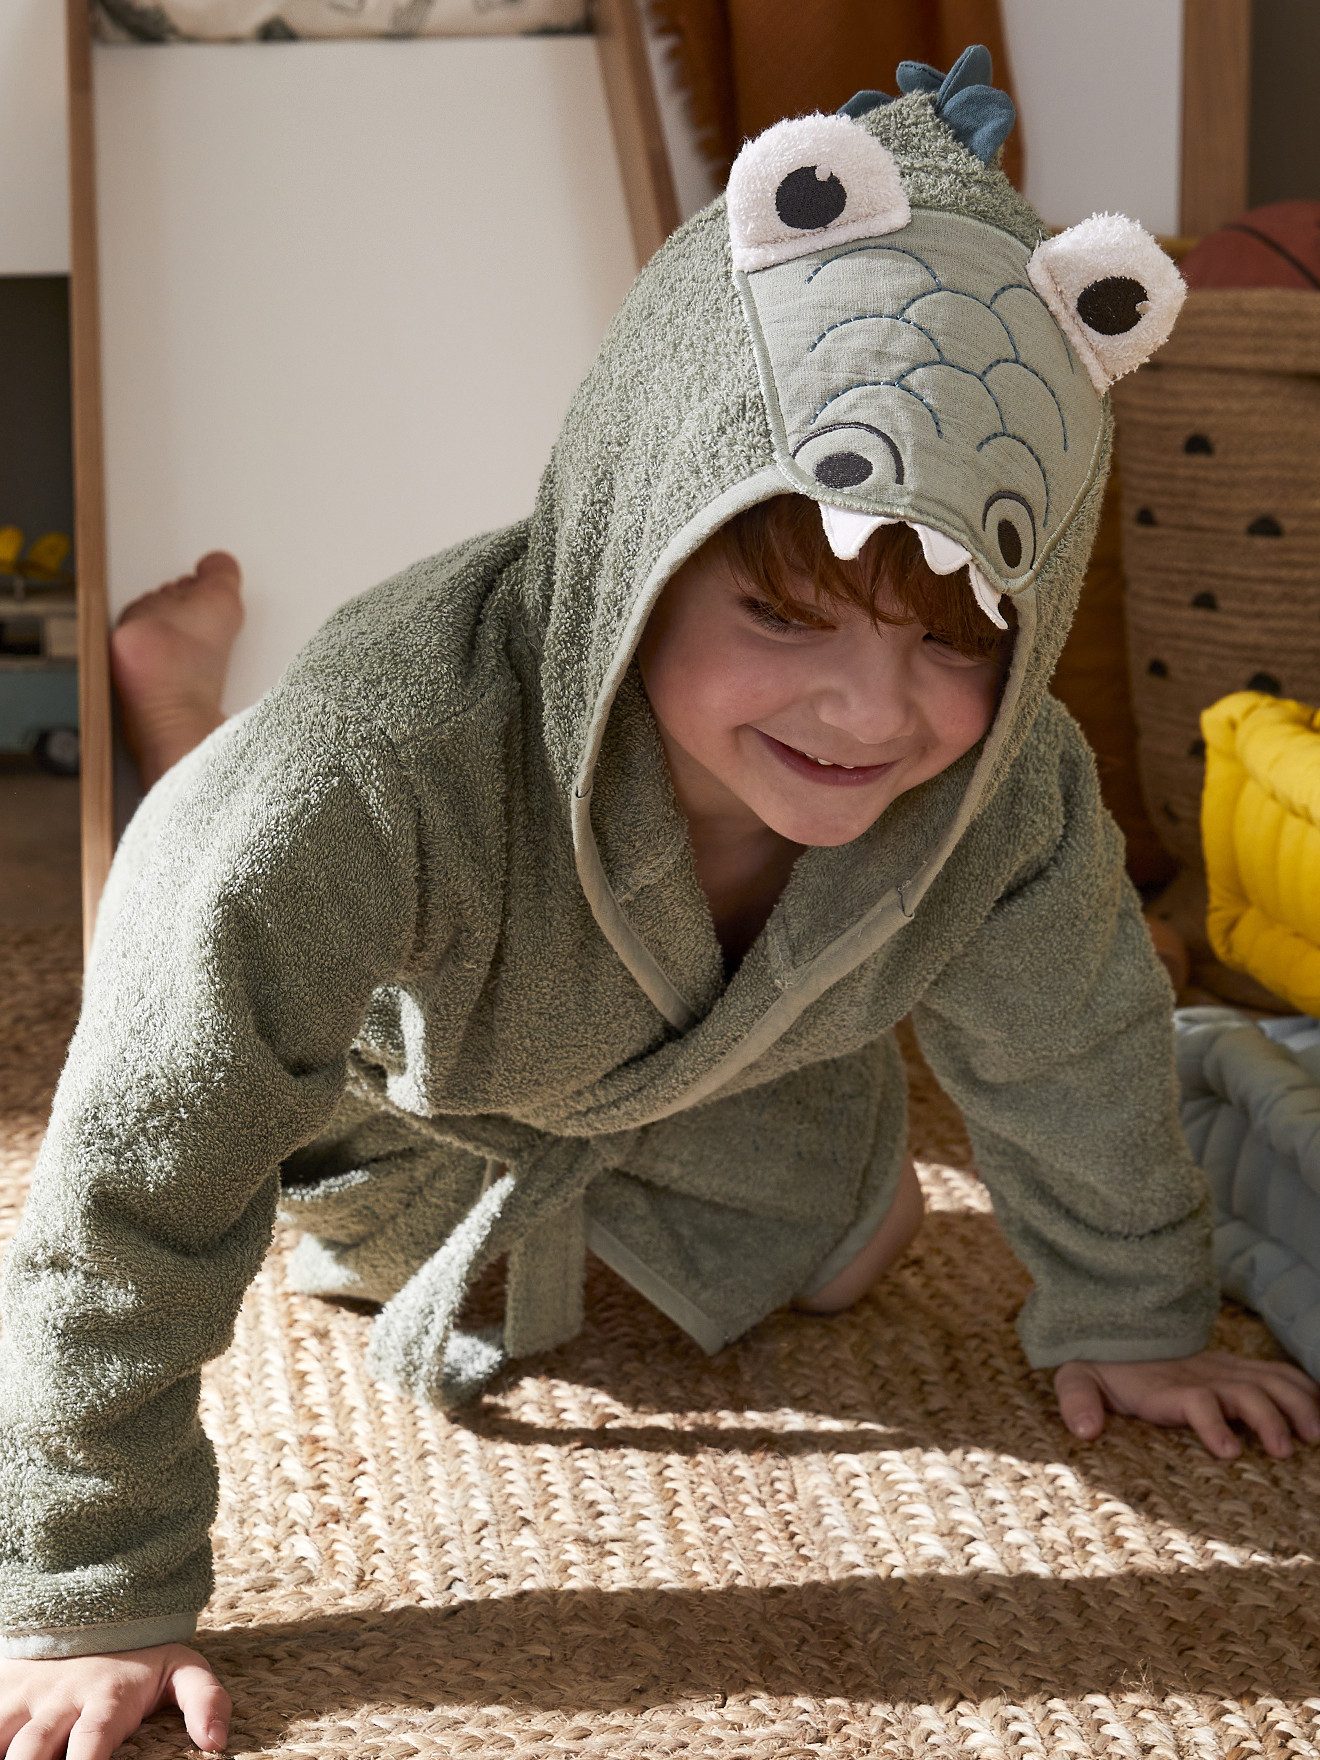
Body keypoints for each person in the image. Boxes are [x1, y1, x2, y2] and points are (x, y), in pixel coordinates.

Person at [3, 45, 1317, 1760]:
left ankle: (199, 740)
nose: (867, 713)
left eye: (952, 640)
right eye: (783, 617)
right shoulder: (367, 770)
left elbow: (1075, 1040)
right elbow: (135, 1179)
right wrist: (86, 1580)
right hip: (410, 1097)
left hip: (716, 1076)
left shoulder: (1014, 789)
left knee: (855, 1254)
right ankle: (191, 740)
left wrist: (1136, 1308)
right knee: (230, 965)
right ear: (639, 539)